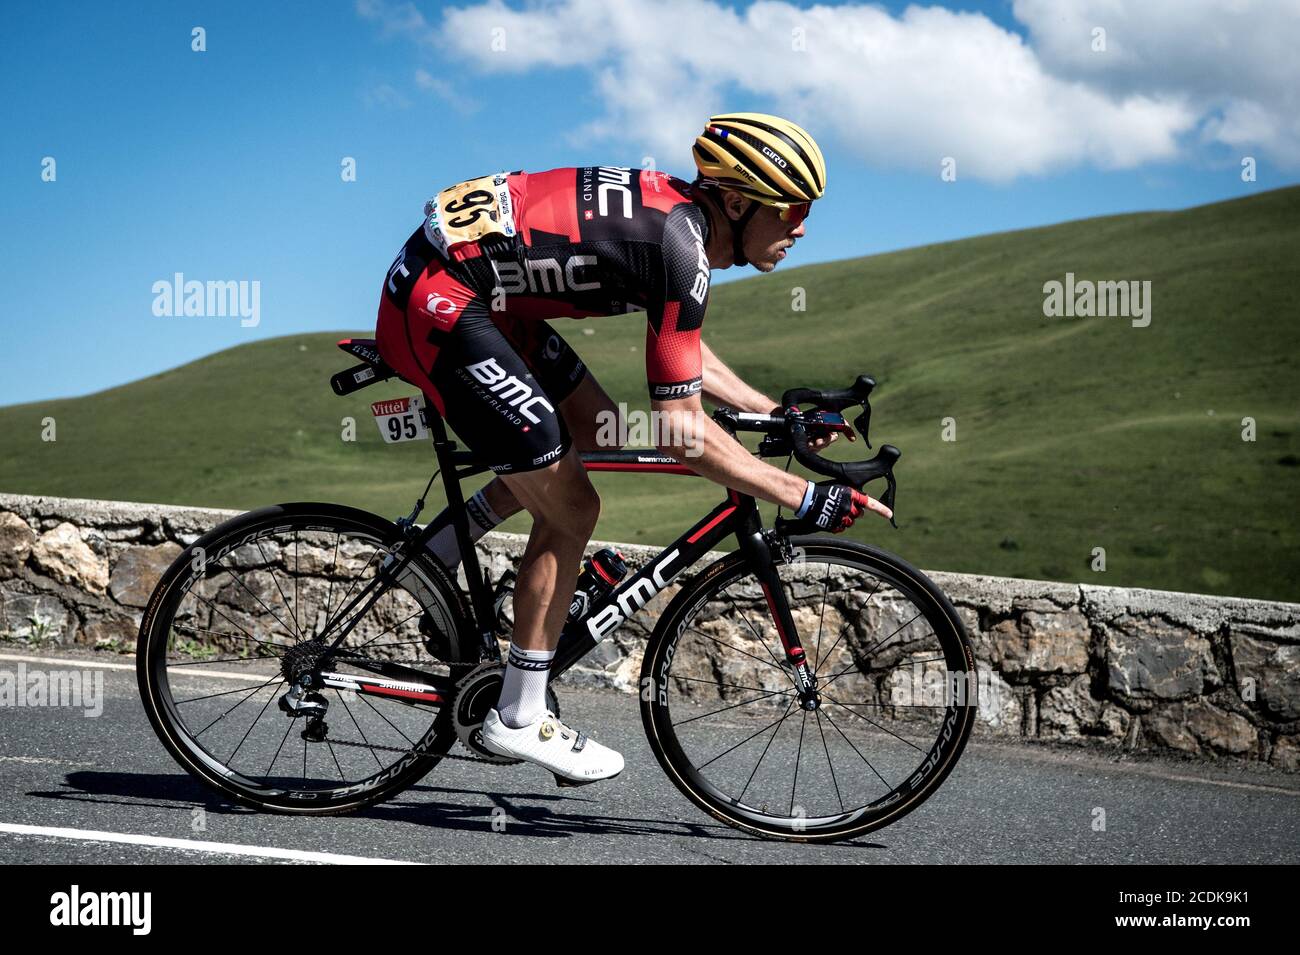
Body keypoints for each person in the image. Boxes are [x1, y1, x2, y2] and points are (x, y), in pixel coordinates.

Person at [373, 112, 892, 786]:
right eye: (792, 209)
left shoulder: (681, 229)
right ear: (736, 202)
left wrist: (775, 412)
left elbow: (687, 348)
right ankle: (520, 716)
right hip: (442, 304)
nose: (802, 227)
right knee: (572, 507)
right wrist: (801, 493)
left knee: (593, 431)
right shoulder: (678, 247)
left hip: (476, 294)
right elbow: (680, 429)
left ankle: (436, 552)